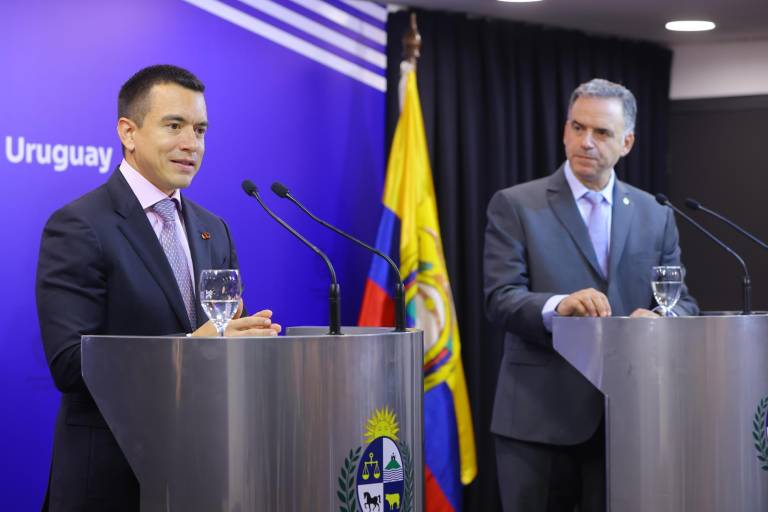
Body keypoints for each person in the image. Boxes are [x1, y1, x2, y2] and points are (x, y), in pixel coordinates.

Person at [35, 64, 281, 511]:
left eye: (201, 129)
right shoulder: (79, 225)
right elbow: (71, 364)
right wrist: (189, 346)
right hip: (112, 480)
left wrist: (247, 342)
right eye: (175, 126)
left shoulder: (215, 229)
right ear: (129, 132)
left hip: (202, 475)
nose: (193, 144)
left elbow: (221, 338)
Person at [483, 78, 698, 511]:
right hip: (538, 422)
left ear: (627, 142)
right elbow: (499, 297)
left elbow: (683, 303)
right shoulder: (516, 204)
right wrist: (556, 306)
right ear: (564, 131)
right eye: (577, 128)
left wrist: (663, 320)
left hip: (628, 419)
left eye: (601, 133)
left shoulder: (655, 214)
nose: (586, 142)